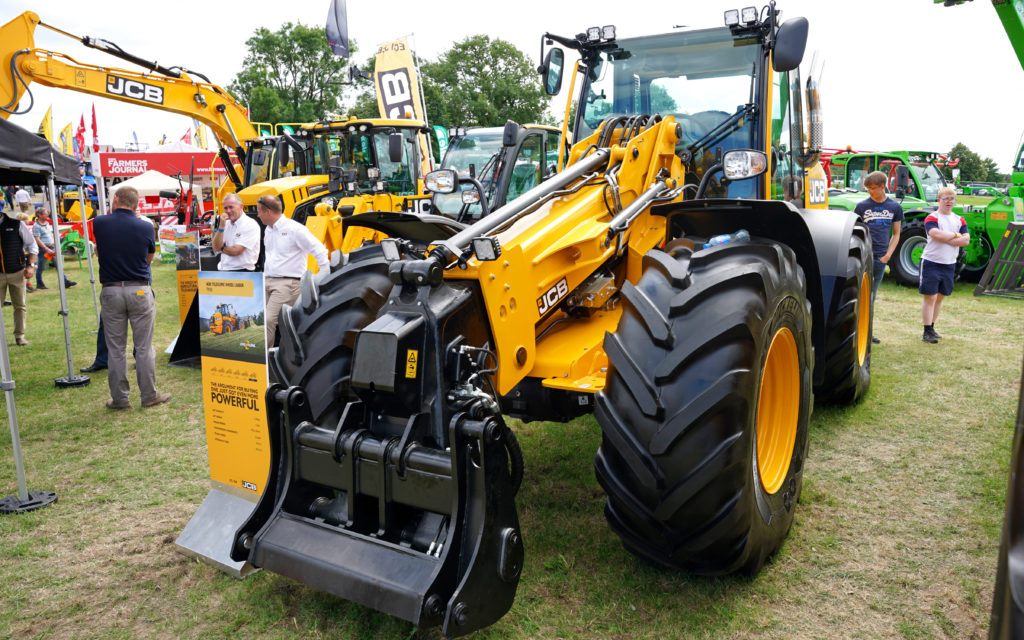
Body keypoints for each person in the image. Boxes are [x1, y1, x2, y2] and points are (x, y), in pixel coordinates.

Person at [92, 185, 171, 410]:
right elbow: (149, 257)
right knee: (144, 346)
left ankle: (120, 398)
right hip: (138, 289)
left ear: (115, 199)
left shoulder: (100, 223)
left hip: (111, 290)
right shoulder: (145, 227)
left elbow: (100, 250)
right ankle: (149, 396)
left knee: (115, 348)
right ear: (137, 205)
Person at [257, 195, 328, 346]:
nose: (258, 215)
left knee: (268, 320)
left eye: (259, 212)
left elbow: (319, 250)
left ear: (268, 211)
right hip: (268, 281)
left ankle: (265, 363)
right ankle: (278, 356)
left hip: (287, 284)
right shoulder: (268, 230)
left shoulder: (295, 229)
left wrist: (324, 276)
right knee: (260, 320)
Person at [854, 170, 903, 343]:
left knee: (871, 297)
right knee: (859, 295)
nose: (869, 192)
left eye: (872, 188)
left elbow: (896, 234)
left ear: (882, 187)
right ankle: (857, 332)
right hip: (863, 256)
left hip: (880, 258)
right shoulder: (861, 206)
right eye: (867, 189)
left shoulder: (894, 207)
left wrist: (888, 255)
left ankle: (867, 333)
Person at [919, 186, 969, 344]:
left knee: (940, 297)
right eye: (945, 198)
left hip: (949, 263)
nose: (948, 201)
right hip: (931, 261)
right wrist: (955, 235)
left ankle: (932, 327)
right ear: (939, 200)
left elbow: (966, 240)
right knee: (930, 296)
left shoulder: (959, 219)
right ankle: (926, 331)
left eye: (951, 199)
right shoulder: (932, 218)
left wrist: (948, 237)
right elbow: (935, 234)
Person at [0, 200, 38, 345]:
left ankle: (19, 336)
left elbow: (32, 245)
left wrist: (30, 265)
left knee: (20, 305)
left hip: (17, 271)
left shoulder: (16, 224)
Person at [32, 205, 77, 290]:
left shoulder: (47, 223)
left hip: (51, 248)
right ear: (40, 215)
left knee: (58, 265)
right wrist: (47, 249)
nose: (47, 215)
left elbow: (50, 234)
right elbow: (37, 240)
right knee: (41, 267)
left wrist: (55, 243)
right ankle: (39, 283)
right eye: (45, 214)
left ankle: (65, 282)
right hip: (43, 250)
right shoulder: (36, 226)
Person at [212, 193, 260, 271]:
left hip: (242, 272)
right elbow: (215, 247)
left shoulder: (250, 224)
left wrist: (222, 248)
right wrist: (221, 227)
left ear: (241, 206)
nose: (228, 211)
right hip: (223, 270)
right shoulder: (226, 224)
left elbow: (236, 251)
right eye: (226, 208)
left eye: (231, 207)